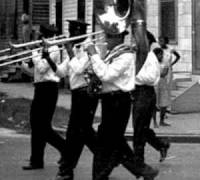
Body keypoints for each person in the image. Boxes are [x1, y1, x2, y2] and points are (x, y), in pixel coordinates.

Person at [86, 30, 159, 180]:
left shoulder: (126, 55)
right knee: (113, 141)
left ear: (119, 37)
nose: (106, 39)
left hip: (118, 101)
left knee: (108, 141)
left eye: (109, 36)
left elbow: (107, 74)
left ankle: (103, 174)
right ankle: (141, 170)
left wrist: (93, 54)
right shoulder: (113, 53)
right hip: (110, 100)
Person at [44, 20, 99, 180]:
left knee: (75, 134)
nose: (68, 35)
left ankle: (67, 169)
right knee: (83, 133)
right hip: (77, 96)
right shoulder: (74, 49)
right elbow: (62, 73)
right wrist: (48, 59)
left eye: (71, 32)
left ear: (78, 32)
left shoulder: (90, 48)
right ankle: (107, 158)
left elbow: (79, 69)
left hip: (87, 95)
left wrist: (69, 51)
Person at [22, 23, 66, 170]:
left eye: (39, 34)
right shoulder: (40, 49)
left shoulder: (53, 49)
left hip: (49, 89)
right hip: (40, 88)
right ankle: (36, 161)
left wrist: (33, 54)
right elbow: (32, 72)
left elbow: (41, 68)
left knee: (42, 127)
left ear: (44, 35)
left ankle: (65, 148)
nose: (37, 36)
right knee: (36, 125)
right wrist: (24, 61)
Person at [132, 40, 170, 165]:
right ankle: (161, 145)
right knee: (141, 128)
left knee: (139, 129)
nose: (134, 43)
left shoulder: (150, 57)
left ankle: (138, 161)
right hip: (136, 92)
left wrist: (133, 75)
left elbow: (152, 78)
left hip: (145, 93)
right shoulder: (135, 55)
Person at [158, 36, 180, 126]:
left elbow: (178, 56)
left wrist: (172, 64)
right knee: (160, 91)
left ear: (166, 41)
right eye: (159, 41)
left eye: (162, 41)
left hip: (168, 72)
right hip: (160, 71)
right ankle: (161, 110)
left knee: (167, 90)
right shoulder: (157, 50)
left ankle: (164, 109)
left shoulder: (170, 49)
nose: (160, 42)